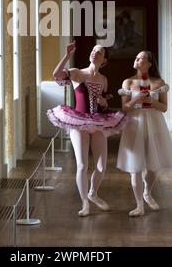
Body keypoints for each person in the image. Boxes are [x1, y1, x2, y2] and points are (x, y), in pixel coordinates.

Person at [47, 41, 127, 217]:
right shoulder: (77, 73)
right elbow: (56, 75)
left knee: (101, 166)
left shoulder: (103, 80)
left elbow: (105, 105)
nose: (94, 53)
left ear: (104, 60)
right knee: (82, 165)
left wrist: (104, 102)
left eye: (99, 52)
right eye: (93, 50)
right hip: (78, 121)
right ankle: (84, 203)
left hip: (98, 122)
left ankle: (93, 193)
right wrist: (67, 56)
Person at [117, 50, 172, 217]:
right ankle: (139, 205)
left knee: (152, 166)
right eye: (136, 57)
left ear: (149, 64)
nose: (137, 59)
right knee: (134, 166)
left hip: (154, 124)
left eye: (141, 58)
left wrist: (151, 100)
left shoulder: (159, 83)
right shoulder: (128, 82)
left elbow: (164, 108)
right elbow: (124, 108)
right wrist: (136, 99)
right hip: (134, 124)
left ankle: (147, 192)